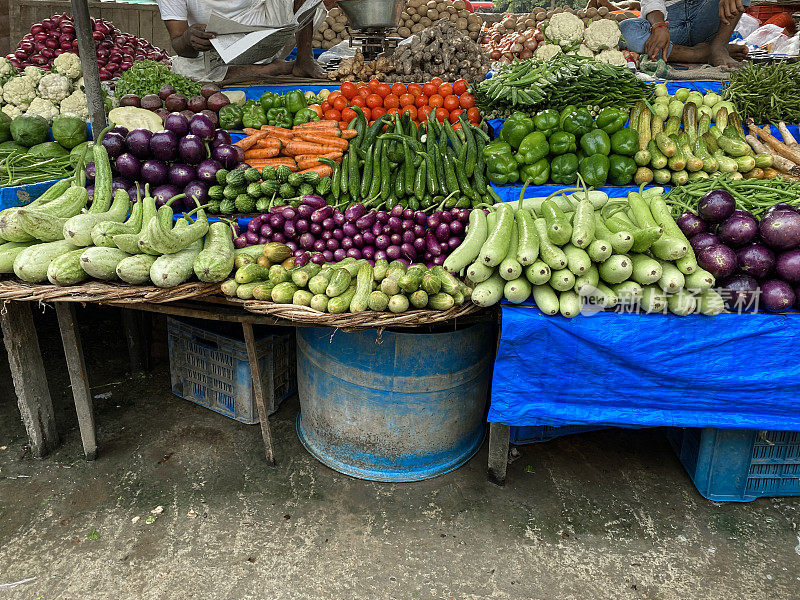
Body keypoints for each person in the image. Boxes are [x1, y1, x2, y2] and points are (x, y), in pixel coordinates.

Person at [157, 0, 326, 83]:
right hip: (217, 53)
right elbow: (178, 42)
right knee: (183, 70)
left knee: (311, 4)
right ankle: (272, 68)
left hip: (267, 32)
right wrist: (189, 39)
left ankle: (303, 62)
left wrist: (305, 56)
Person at [617, 0, 749, 67]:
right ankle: (703, 54)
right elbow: (652, 2)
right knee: (625, 30)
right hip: (670, 21)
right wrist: (659, 25)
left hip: (707, 15)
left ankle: (719, 47)